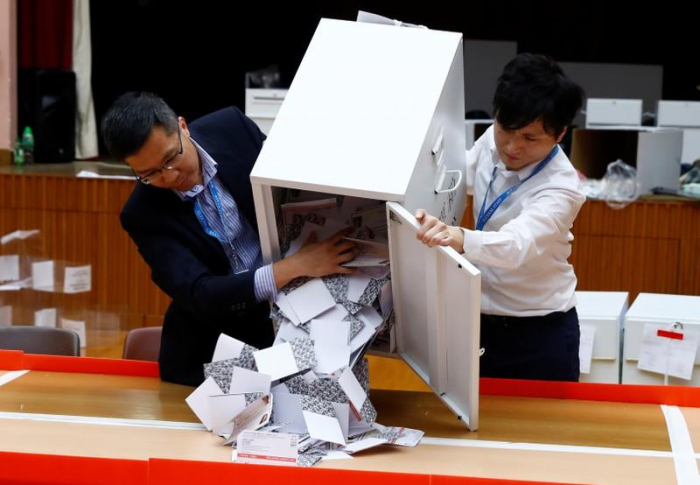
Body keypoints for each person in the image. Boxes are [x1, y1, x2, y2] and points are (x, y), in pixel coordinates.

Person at [101, 92, 355, 386]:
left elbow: (293, 185)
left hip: (294, 321)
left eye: (171, 158)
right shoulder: (142, 214)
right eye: (149, 175)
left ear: (183, 127)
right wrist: (296, 266)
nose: (169, 178)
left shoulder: (232, 128)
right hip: (211, 356)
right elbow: (201, 293)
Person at [415, 53, 586, 381]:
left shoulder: (563, 188)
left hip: (538, 332)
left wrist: (460, 237)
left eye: (530, 138)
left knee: (541, 431)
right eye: (506, 129)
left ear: (560, 134)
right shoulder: (492, 143)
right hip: (476, 322)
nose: (512, 147)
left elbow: (516, 245)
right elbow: (459, 174)